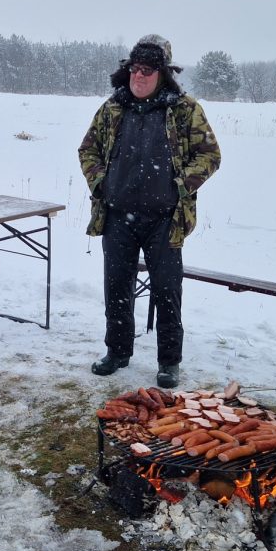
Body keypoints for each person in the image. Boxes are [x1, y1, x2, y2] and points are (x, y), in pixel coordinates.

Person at [78, 34, 221, 389]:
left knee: (167, 291)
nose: (139, 76)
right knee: (117, 288)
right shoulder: (113, 108)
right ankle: (117, 351)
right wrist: (101, 183)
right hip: (118, 217)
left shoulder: (184, 109)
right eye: (134, 69)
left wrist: (179, 185)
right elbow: (87, 150)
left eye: (148, 70)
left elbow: (210, 155)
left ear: (163, 74)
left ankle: (169, 361)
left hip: (164, 221)